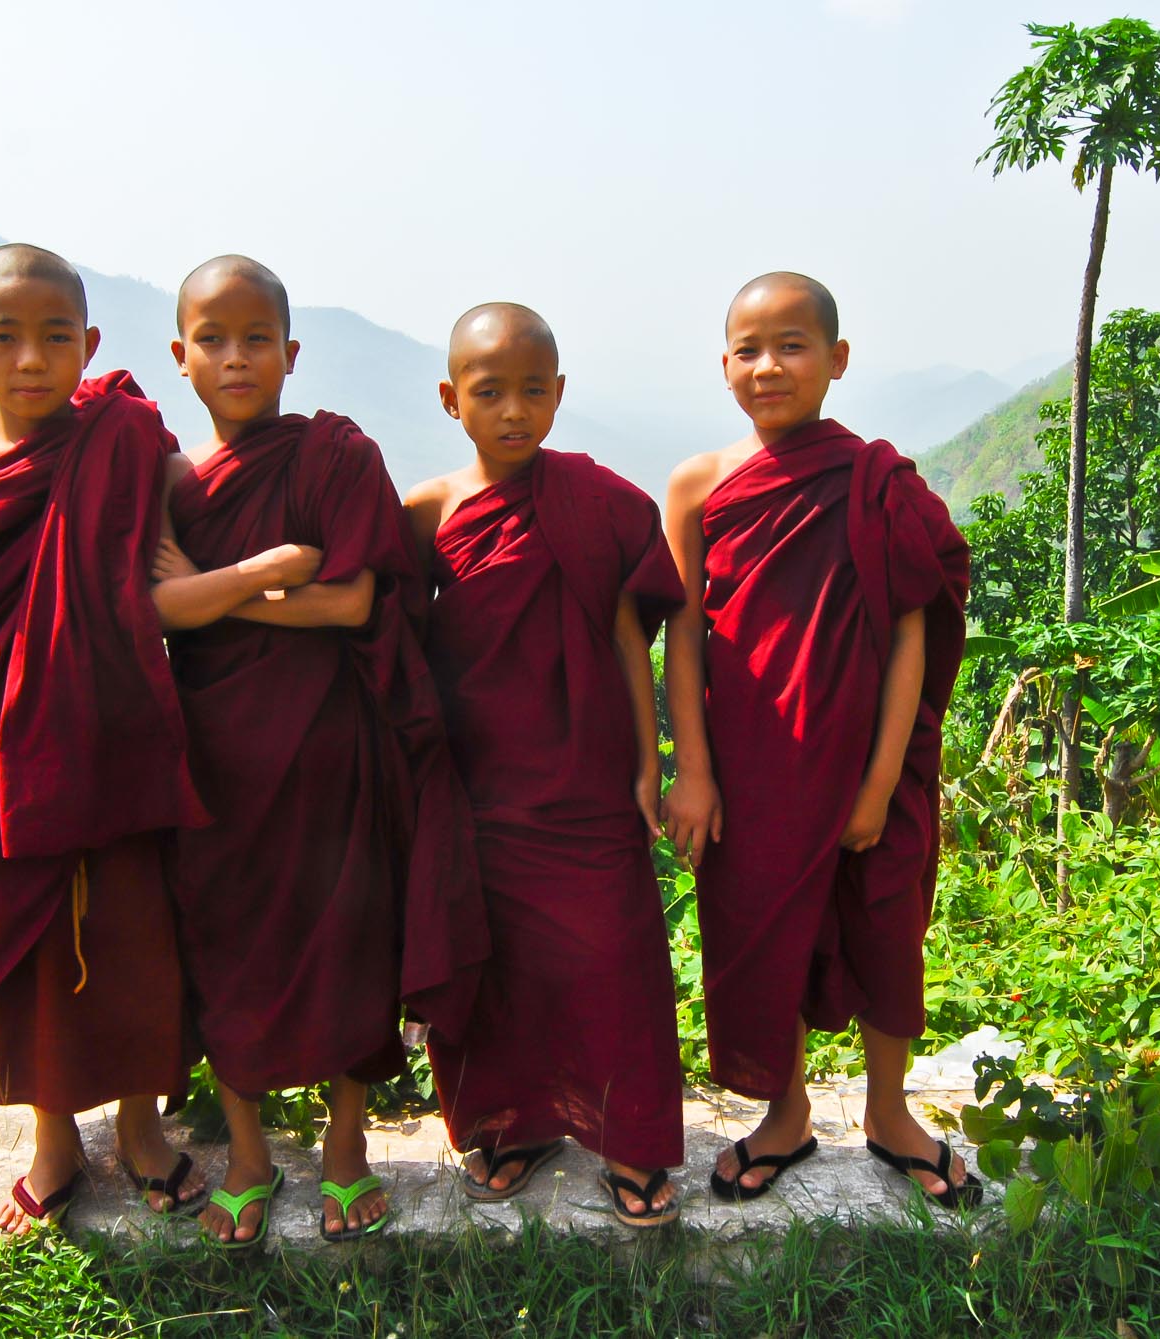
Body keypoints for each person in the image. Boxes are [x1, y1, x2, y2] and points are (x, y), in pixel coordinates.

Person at [0, 244, 254, 1230]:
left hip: (120, 733)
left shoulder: (127, 441)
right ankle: (55, 1140)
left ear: (89, 344)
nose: (30, 359)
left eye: (55, 337)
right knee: (20, 951)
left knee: (135, 937)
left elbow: (185, 552)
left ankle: (142, 1128)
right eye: (6, 337)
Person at [150, 255, 486, 1247]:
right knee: (222, 935)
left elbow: (351, 600)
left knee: (348, 935)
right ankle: (248, 1151)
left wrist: (217, 586)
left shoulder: (336, 454)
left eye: (256, 338)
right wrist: (266, 571)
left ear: (291, 354)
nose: (235, 356)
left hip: (331, 740)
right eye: (211, 338)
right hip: (213, 745)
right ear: (179, 356)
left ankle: (345, 1146)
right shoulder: (171, 481)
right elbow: (153, 609)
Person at [661, 272, 977, 1208]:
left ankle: (889, 1111)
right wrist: (695, 773)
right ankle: (787, 1113)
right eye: (749, 350)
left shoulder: (878, 482)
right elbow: (684, 633)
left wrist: (881, 782)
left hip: (869, 761)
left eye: (793, 346)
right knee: (762, 941)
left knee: (887, 934)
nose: (769, 367)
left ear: (837, 361)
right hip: (752, 769)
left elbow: (913, 632)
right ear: (723, 365)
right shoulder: (697, 485)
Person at [404, 304, 686, 1229]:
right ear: (452, 399)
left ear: (560, 394)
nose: (515, 411)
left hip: (585, 775)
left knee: (616, 953)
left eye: (534, 391)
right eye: (490, 393)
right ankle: (516, 1124)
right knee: (499, 960)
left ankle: (633, 1135)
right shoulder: (428, 511)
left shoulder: (599, 504)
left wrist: (648, 762)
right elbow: (389, 636)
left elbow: (623, 635)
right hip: (478, 783)